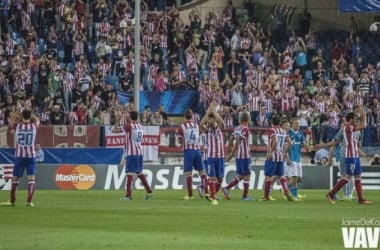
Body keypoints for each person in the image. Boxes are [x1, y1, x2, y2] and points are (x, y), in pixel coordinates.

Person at [326, 107, 373, 205]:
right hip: (350, 156)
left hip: (355, 156)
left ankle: (361, 199)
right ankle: (331, 194)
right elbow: (364, 124)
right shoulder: (348, 127)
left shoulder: (354, 129)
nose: (356, 120)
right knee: (347, 177)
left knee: (358, 176)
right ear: (350, 119)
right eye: (355, 119)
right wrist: (363, 113)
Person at [1, 109, 40, 207]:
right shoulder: (34, 126)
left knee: (15, 177)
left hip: (20, 155)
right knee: (31, 178)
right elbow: (37, 120)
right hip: (31, 155)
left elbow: (10, 120)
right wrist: (31, 115)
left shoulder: (17, 126)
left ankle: (12, 201)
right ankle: (29, 201)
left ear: (22, 116)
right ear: (30, 116)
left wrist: (18, 112)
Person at [113, 110, 154, 201]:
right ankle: (149, 191)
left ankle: (128, 195)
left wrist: (117, 120)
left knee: (129, 173)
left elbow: (114, 130)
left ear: (130, 117)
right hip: (139, 152)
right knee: (139, 173)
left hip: (131, 153)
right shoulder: (140, 126)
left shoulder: (129, 126)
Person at [176, 109, 208, 200]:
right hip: (197, 150)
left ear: (184, 117)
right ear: (192, 116)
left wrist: (181, 140)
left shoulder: (181, 127)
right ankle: (206, 192)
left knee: (188, 174)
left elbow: (179, 140)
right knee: (202, 172)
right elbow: (202, 135)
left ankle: (190, 195)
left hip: (188, 151)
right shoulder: (196, 125)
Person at [223, 111, 254, 201]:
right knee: (247, 175)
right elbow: (237, 141)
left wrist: (227, 153)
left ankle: (227, 188)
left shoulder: (237, 128)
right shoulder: (245, 129)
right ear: (247, 119)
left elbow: (231, 139)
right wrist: (231, 154)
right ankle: (245, 196)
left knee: (241, 175)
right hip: (245, 156)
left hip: (239, 156)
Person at [262, 117, 293, 201]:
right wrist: (285, 151)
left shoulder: (272, 130)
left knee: (268, 176)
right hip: (281, 156)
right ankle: (286, 192)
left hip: (273, 157)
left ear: (272, 122)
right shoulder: (283, 131)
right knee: (281, 176)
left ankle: (266, 196)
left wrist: (270, 152)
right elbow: (290, 143)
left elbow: (275, 142)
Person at [199, 106, 225, 205]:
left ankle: (213, 194)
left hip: (220, 157)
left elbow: (222, 123)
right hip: (211, 157)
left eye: (211, 119)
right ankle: (213, 197)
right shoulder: (207, 130)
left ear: (215, 120)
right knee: (212, 177)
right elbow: (201, 124)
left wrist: (214, 113)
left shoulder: (219, 128)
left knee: (220, 179)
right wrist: (208, 114)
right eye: (208, 119)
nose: (209, 121)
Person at [285, 118, 310, 200]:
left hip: (298, 159)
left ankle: (286, 188)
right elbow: (285, 148)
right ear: (292, 124)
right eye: (296, 123)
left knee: (299, 179)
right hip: (291, 159)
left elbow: (304, 144)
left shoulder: (300, 133)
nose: (298, 125)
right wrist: (287, 158)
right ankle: (294, 196)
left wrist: (309, 148)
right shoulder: (288, 133)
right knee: (294, 177)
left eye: (299, 124)